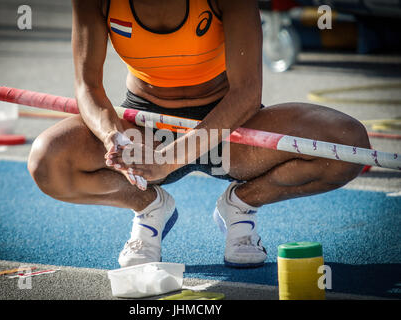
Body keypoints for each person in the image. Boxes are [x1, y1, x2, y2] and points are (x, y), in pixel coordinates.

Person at [27, 0, 370, 268]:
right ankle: (148, 208)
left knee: (347, 144)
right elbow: (87, 86)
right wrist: (112, 135)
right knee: (48, 161)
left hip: (229, 126)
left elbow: (247, 93)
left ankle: (242, 204)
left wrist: (171, 158)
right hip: (145, 127)